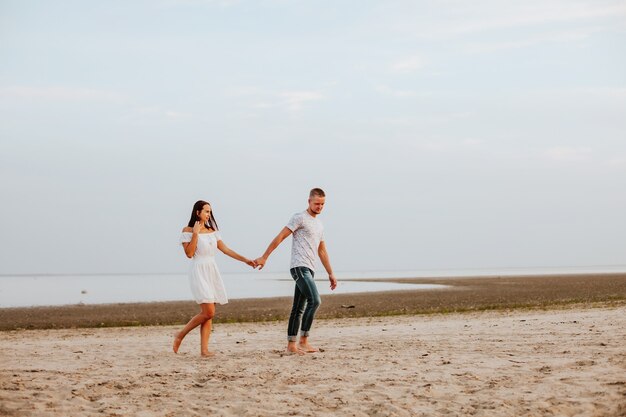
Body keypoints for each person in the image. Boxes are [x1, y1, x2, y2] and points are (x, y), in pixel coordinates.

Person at [254, 188, 337, 354]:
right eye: (317, 203)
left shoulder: (319, 224)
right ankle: (303, 341)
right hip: (299, 267)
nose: (320, 207)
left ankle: (292, 345)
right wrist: (264, 257)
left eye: (322, 204)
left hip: (310, 268)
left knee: (298, 308)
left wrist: (330, 273)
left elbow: (322, 250)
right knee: (315, 301)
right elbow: (280, 236)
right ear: (309, 201)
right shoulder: (299, 218)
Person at [173, 200, 256, 357]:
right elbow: (189, 254)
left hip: (212, 270)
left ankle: (204, 350)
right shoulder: (188, 230)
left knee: (208, 312)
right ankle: (181, 334)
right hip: (198, 270)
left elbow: (226, 250)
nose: (208, 214)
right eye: (205, 211)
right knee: (209, 312)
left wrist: (246, 260)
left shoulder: (213, 231)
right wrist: (196, 234)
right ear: (197, 213)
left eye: (210, 212)